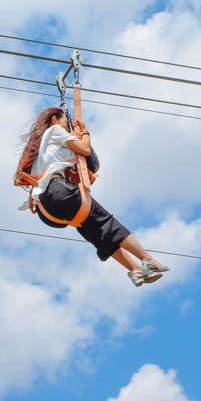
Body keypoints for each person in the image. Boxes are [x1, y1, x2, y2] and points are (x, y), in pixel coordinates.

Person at [17, 107, 170, 286]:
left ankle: (134, 269)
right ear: (54, 120)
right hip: (57, 192)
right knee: (107, 223)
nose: (66, 128)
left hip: (45, 208)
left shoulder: (39, 149)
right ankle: (147, 259)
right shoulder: (54, 131)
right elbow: (85, 149)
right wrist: (84, 130)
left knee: (99, 233)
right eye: (64, 123)